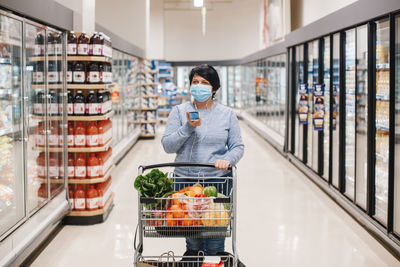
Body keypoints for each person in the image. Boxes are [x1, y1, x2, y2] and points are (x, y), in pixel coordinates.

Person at [161, 64, 244, 257]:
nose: (199, 86)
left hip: (216, 181)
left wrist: (227, 159)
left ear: (214, 88)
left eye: (204, 83)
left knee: (215, 238)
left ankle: (214, 259)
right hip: (185, 183)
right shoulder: (179, 111)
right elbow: (167, 146)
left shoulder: (227, 114)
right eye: (195, 82)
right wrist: (188, 128)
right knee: (193, 238)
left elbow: (238, 147)